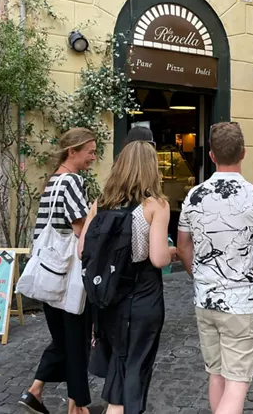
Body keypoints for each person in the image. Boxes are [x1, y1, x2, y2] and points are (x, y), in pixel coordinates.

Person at [176, 122, 253, 414]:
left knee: (216, 373)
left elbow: (184, 246)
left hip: (205, 299)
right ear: (244, 153)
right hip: (240, 302)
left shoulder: (193, 196)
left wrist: (196, 275)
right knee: (237, 381)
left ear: (211, 155)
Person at [83, 140, 173, 413]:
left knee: (119, 363)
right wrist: (173, 251)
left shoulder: (101, 203)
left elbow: (81, 249)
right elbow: (157, 258)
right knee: (135, 364)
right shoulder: (156, 205)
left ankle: (114, 407)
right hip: (143, 295)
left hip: (108, 297)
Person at [20, 128, 98, 414]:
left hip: (49, 274)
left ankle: (37, 393)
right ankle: (78, 408)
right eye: (89, 151)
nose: (94, 156)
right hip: (68, 276)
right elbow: (81, 231)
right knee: (76, 341)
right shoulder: (72, 181)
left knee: (65, 341)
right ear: (72, 151)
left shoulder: (53, 181)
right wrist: (96, 213)